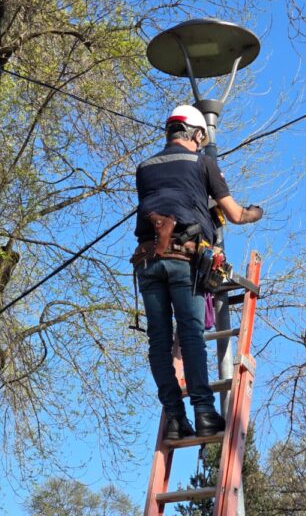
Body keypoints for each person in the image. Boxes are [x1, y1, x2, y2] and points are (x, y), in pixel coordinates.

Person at [131, 104, 263, 440]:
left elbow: (167, 198)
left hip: (147, 261)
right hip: (184, 260)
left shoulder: (144, 168)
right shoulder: (204, 162)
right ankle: (204, 412)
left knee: (159, 341)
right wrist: (255, 212)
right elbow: (234, 214)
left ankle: (175, 418)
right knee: (190, 335)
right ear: (198, 134)